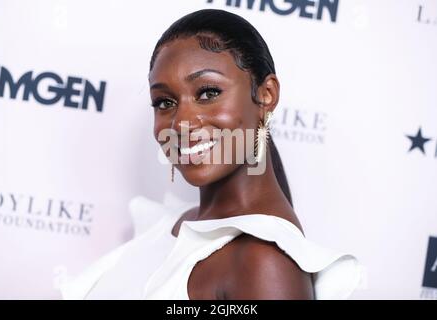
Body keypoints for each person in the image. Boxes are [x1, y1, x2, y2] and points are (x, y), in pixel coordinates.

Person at [60, 9, 361, 300]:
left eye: (208, 93)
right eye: (164, 102)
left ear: (266, 95)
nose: (181, 123)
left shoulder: (261, 264)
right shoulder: (180, 224)